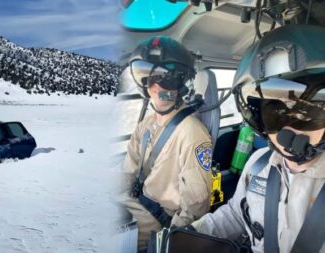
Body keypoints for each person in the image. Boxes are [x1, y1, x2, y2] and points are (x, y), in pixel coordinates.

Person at [190, 25, 325, 253]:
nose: (288, 130)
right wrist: (188, 236)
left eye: (307, 114)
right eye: (274, 113)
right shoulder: (258, 164)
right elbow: (235, 214)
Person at [118, 36, 213, 251]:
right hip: (135, 203)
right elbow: (127, 171)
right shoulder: (146, 124)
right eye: (148, 77)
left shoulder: (191, 131)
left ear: (182, 83)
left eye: (166, 78)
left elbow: (197, 204)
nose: (156, 86)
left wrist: (171, 240)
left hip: (159, 219)